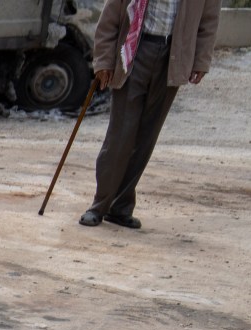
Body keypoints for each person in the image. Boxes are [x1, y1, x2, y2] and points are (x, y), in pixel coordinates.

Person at [80, 0, 220, 229]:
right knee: (121, 135)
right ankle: (99, 205)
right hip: (135, 49)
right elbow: (111, 16)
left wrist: (201, 61)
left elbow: (209, 21)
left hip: (173, 55)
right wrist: (104, 60)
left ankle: (121, 207)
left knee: (147, 137)